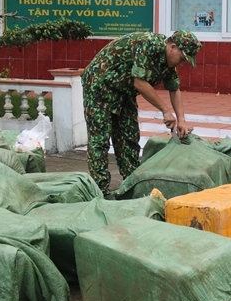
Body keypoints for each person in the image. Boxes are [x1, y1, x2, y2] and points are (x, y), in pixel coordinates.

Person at [82, 30, 202, 196]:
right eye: (182, 58)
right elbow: (140, 83)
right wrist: (165, 111)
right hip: (100, 86)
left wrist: (181, 119)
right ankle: (99, 190)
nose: (181, 63)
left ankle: (131, 183)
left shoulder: (168, 62)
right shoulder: (147, 44)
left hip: (124, 92)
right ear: (172, 47)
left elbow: (174, 89)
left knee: (129, 137)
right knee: (100, 140)